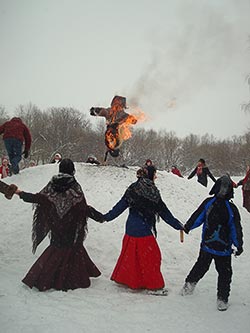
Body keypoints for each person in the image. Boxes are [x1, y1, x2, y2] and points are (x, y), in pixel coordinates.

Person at [15, 158, 104, 291]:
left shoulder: (52, 184)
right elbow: (82, 207)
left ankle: (47, 277)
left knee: (56, 248)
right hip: (71, 225)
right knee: (72, 248)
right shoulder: (74, 185)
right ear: (72, 170)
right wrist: (99, 216)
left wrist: (20, 193)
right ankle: (70, 279)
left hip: (56, 224)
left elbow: (39, 198)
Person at [102, 166, 184, 295]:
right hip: (143, 230)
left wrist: (107, 217)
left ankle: (130, 280)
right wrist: (177, 225)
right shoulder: (153, 191)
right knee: (152, 258)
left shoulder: (133, 188)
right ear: (150, 175)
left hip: (131, 228)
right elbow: (164, 212)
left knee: (132, 257)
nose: (156, 177)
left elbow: (121, 205)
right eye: (155, 174)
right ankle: (154, 286)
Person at [180, 174, 243, 311]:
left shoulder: (209, 202)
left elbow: (198, 217)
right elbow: (235, 229)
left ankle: (188, 286)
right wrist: (238, 245)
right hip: (223, 249)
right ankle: (222, 299)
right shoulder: (231, 209)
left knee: (201, 267)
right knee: (225, 274)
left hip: (208, 246)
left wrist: (188, 226)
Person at [90, 95, 137, 162]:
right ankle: (106, 158)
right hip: (112, 131)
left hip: (114, 132)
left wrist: (133, 120)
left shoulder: (121, 114)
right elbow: (103, 111)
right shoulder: (111, 111)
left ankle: (106, 158)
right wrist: (95, 111)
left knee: (112, 140)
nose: (118, 107)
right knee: (112, 139)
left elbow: (103, 111)